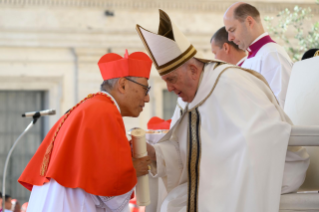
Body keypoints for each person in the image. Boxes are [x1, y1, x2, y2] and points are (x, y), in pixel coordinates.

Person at [136, 9, 309, 212]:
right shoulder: (185, 98)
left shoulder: (230, 81)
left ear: (192, 70)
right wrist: (156, 154)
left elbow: (259, 137)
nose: (169, 89)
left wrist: (218, 167)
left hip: (254, 173)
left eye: (171, 79)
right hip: (216, 179)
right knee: (171, 205)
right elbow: (184, 152)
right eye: (165, 81)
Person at [18, 50, 153, 212]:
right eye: (145, 89)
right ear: (123, 85)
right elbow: (109, 193)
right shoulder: (105, 112)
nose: (147, 98)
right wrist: (133, 170)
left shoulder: (92, 106)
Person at [223, 2, 292, 108]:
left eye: (232, 30)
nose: (229, 38)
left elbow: (280, 106)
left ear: (249, 22)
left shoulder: (272, 54)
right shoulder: (249, 59)